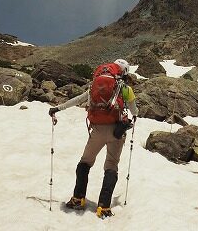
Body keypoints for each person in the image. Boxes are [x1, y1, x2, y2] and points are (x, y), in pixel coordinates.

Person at [49, 58, 139, 219]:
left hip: (97, 130)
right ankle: (103, 207)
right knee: (111, 166)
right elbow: (134, 111)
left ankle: (78, 199)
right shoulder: (126, 89)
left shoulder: (95, 86)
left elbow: (78, 100)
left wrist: (57, 108)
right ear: (124, 72)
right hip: (117, 132)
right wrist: (134, 114)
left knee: (85, 162)